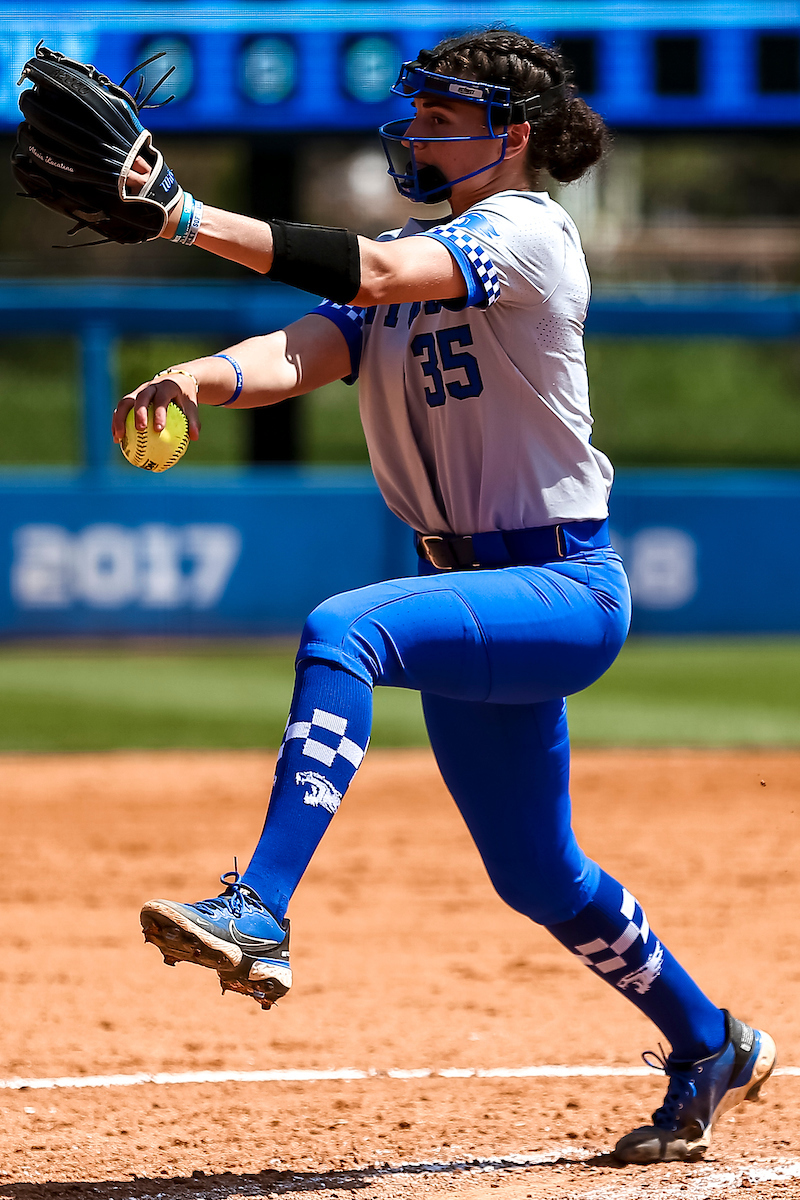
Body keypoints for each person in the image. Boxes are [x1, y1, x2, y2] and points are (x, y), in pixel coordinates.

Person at [113, 28, 775, 1165]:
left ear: (507, 134)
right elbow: (304, 349)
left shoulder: (523, 234)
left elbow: (363, 276)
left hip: (560, 585)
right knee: (536, 873)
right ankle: (707, 1041)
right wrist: (197, 377)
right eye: (413, 112)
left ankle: (257, 909)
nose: (412, 132)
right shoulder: (421, 254)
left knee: (344, 628)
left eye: (438, 116)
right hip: (469, 585)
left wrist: (184, 216)